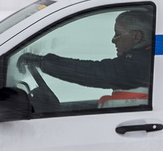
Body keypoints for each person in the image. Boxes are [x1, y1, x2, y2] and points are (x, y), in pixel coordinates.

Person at [20, 9, 154, 92]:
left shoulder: (140, 65)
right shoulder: (145, 59)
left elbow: (93, 72)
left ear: (136, 36)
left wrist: (43, 62)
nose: (113, 40)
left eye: (117, 34)